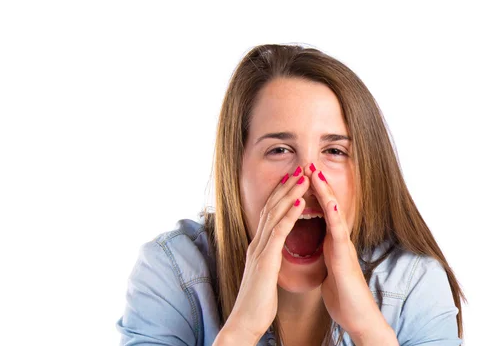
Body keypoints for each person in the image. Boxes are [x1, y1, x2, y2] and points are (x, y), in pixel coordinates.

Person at [116, 44, 465, 346]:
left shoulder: (413, 285)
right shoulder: (172, 273)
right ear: (235, 170)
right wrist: (242, 330)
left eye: (335, 151)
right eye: (280, 149)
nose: (309, 180)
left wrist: (369, 330)